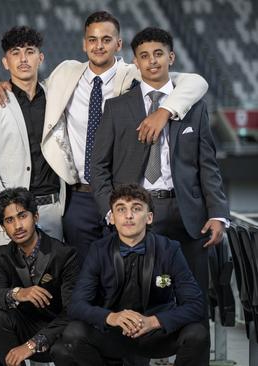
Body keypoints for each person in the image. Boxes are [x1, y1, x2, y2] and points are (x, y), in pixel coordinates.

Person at [0, 11, 209, 263]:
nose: (98, 46)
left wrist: (165, 110)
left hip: (122, 192)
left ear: (118, 44)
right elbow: (29, 82)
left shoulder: (135, 74)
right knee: (81, 273)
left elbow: (195, 83)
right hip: (78, 195)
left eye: (106, 39)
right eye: (92, 39)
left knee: (124, 271)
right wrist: (3, 85)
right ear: (84, 43)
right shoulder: (65, 74)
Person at [90, 27, 230, 323]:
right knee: (135, 298)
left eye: (158, 54)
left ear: (171, 57)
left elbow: (208, 166)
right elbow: (98, 167)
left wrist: (218, 213)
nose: (152, 61)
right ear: (136, 63)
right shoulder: (116, 107)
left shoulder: (194, 107)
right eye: (144, 56)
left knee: (193, 300)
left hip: (186, 214)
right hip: (136, 213)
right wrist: (109, 213)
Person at [53, 184, 208, 366]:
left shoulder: (169, 249)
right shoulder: (99, 250)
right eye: (121, 209)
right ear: (112, 218)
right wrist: (112, 317)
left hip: (154, 335)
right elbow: (77, 305)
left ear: (149, 217)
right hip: (112, 334)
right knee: (73, 334)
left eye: (136, 208)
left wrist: (153, 321)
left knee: (198, 333)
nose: (128, 216)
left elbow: (196, 305)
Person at [0, 26, 64, 251]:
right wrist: (8, 209)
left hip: (53, 210)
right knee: (14, 285)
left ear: (40, 57)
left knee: (53, 283)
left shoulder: (58, 97)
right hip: (10, 215)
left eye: (30, 52)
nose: (23, 59)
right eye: (15, 53)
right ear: (6, 62)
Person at [0, 187, 79, 366]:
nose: (17, 226)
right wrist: (18, 293)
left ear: (35, 217)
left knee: (70, 340)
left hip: (57, 332)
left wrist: (34, 343)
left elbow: (72, 311)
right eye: (9, 220)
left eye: (22, 216)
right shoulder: (4, 253)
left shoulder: (65, 255)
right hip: (26, 326)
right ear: (3, 227)